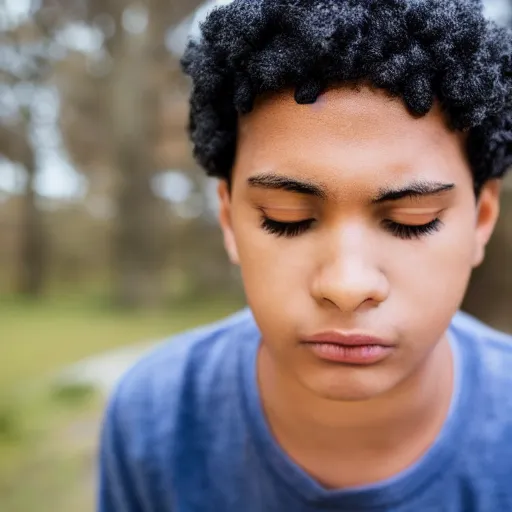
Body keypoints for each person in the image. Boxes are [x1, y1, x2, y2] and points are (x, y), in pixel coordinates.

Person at [98, 1, 512, 510]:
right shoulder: (153, 419)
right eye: (286, 217)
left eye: (412, 220)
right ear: (229, 218)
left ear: (482, 218)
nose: (346, 285)